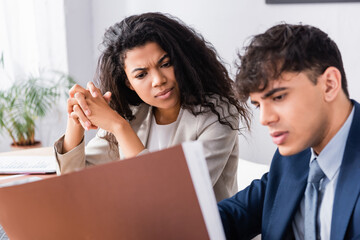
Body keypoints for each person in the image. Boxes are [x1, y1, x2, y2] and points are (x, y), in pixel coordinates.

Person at [54, 12, 250, 202]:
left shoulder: (217, 113)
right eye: (141, 75)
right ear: (129, 83)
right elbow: (74, 183)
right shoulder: (133, 112)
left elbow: (176, 197)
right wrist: (77, 118)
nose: (158, 80)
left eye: (165, 64)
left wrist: (119, 127)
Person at [218, 23, 360, 239]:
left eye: (278, 97)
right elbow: (232, 214)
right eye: (258, 105)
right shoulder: (293, 156)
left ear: (329, 85)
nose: (265, 119)